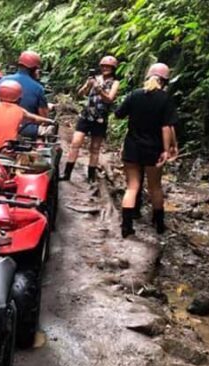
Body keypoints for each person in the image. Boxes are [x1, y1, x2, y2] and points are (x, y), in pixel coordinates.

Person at [114, 62, 178, 238]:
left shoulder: (135, 95)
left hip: (132, 146)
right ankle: (158, 225)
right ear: (164, 81)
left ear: (148, 77)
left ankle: (126, 226)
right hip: (153, 149)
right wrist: (167, 150)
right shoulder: (165, 99)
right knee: (155, 187)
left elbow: (118, 114)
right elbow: (166, 127)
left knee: (132, 186)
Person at [62, 55, 121, 183]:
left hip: (100, 118)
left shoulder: (115, 82)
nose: (105, 68)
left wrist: (98, 88)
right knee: (75, 143)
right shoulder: (94, 78)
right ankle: (67, 173)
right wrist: (88, 85)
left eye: (108, 67)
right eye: (103, 66)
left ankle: (91, 176)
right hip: (86, 115)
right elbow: (81, 94)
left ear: (113, 68)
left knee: (95, 148)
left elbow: (109, 99)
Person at [0, 80, 55, 151]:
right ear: (19, 98)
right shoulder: (20, 110)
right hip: (7, 148)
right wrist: (50, 121)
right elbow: (35, 119)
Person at [0, 50, 49, 139]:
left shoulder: (3, 81)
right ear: (34, 69)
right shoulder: (38, 88)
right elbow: (44, 117)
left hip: (0, 124)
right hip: (26, 129)